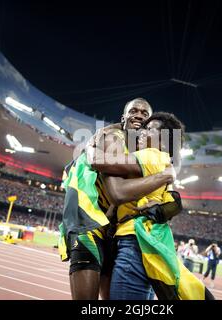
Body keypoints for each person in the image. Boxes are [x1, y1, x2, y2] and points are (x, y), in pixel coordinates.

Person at [59, 98, 181, 300]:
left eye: (145, 114)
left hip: (111, 229)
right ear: (124, 117)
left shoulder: (140, 151)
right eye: (134, 111)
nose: (140, 115)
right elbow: (117, 192)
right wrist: (90, 147)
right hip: (87, 221)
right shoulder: (112, 137)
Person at [105, 112, 213, 300]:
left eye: (149, 130)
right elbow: (172, 202)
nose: (142, 132)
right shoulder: (163, 163)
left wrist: (102, 137)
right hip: (144, 244)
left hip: (134, 242)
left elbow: (105, 163)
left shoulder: (150, 155)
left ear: (164, 142)